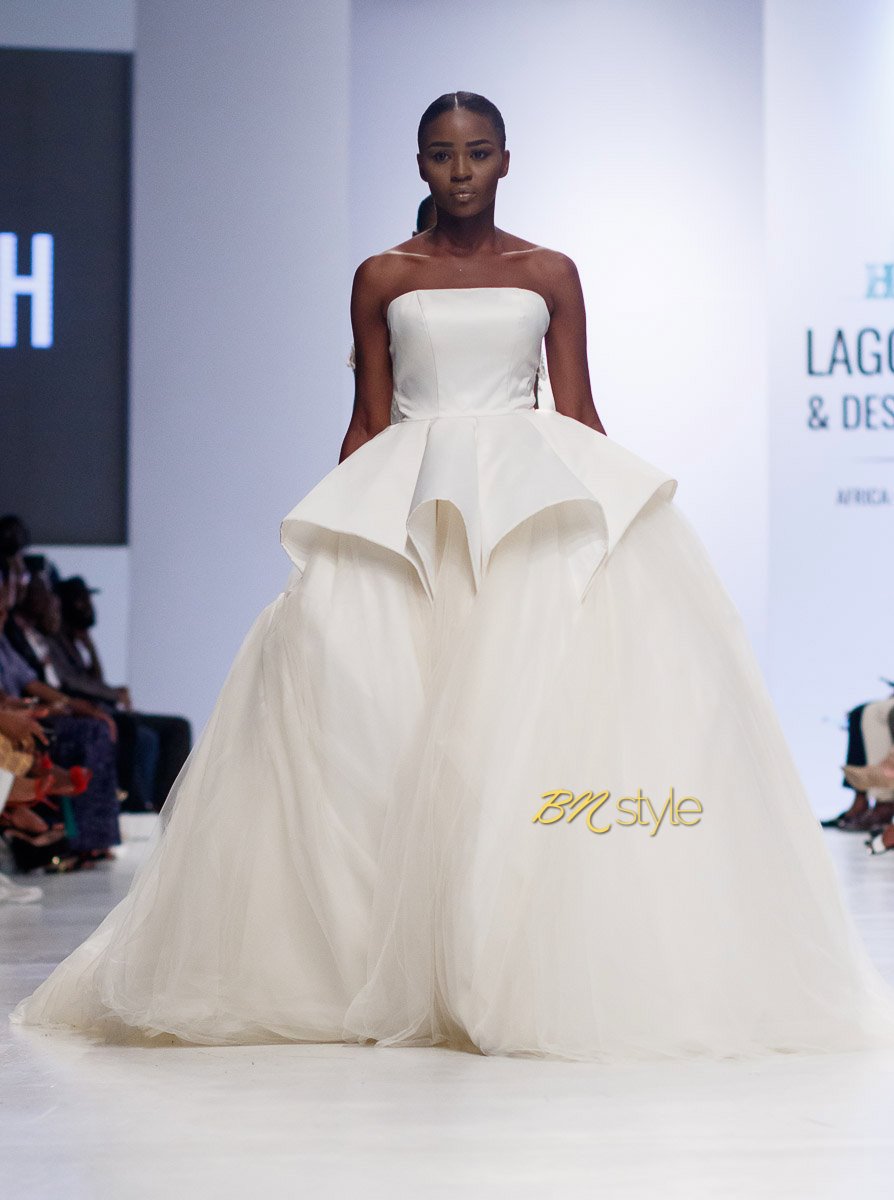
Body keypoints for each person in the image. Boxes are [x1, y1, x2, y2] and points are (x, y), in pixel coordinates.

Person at [11, 91, 894, 1063]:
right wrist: (335, 538)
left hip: (523, 509)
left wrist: (616, 524)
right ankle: (382, 961)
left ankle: (502, 956)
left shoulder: (548, 272)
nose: (460, 171)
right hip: (413, 501)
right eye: (441, 154)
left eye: (476, 153)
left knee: (510, 729)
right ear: (419, 163)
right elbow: (369, 416)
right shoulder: (384, 275)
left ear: (506, 159)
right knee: (385, 723)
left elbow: (578, 412)